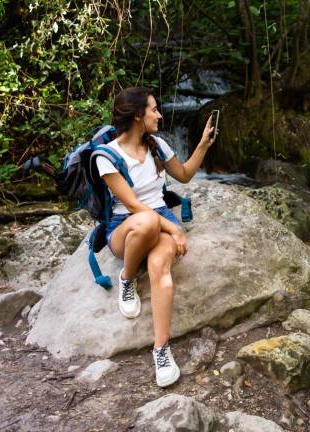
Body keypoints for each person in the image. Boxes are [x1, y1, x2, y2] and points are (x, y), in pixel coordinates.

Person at [96, 87, 215, 387]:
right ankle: (127, 278)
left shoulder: (158, 145)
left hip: (157, 217)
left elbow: (185, 174)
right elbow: (135, 207)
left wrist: (202, 144)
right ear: (137, 116)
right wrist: (174, 229)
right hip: (127, 227)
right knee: (147, 219)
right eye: (153, 110)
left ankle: (161, 350)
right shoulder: (106, 156)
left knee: (161, 268)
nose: (159, 115)